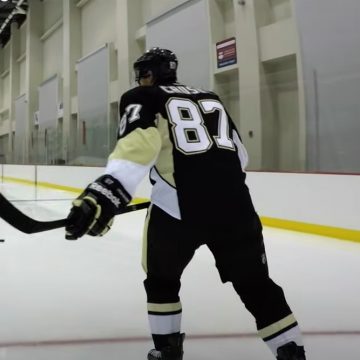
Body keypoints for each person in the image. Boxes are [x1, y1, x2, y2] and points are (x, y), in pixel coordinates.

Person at [64, 48, 306, 360]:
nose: (141, 78)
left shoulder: (143, 95)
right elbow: (239, 155)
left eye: (143, 72)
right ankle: (292, 353)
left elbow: (139, 144)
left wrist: (107, 193)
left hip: (178, 209)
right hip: (236, 207)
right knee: (258, 286)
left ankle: (167, 352)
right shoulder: (211, 97)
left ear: (152, 73)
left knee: (161, 281)